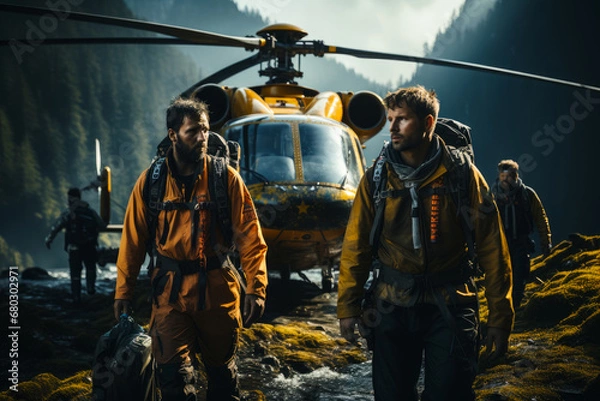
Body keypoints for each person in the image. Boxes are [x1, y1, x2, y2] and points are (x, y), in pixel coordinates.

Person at [337, 86, 514, 401]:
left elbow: (492, 247)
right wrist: (347, 308)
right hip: (391, 306)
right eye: (390, 118)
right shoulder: (376, 178)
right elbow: (356, 247)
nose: (391, 128)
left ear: (428, 123)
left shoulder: (463, 176)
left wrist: (501, 317)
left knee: (450, 394)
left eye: (402, 119)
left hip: (450, 306)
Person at [113, 98, 268, 401]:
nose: (202, 138)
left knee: (222, 380)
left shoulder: (226, 179)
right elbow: (132, 241)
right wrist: (123, 291)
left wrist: (256, 288)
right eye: (192, 131)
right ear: (172, 135)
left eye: (206, 131)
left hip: (219, 295)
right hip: (169, 297)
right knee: (173, 382)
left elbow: (251, 238)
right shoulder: (150, 183)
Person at [490, 159, 552, 308]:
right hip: (500, 244)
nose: (505, 180)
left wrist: (546, 242)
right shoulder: (492, 197)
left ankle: (515, 308)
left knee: (519, 277)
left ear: (515, 175)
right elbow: (482, 222)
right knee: (500, 279)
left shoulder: (527, 194)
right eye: (502, 176)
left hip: (521, 243)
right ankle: (503, 310)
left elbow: (540, 217)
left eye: (508, 176)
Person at [45, 187, 106, 304]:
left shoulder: (68, 213)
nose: (68, 202)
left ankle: (77, 296)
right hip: (89, 246)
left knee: (76, 273)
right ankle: (89, 290)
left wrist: (49, 239)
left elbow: (57, 227)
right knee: (90, 269)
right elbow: (102, 225)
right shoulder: (90, 211)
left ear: (73, 199)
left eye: (70, 199)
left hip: (75, 247)